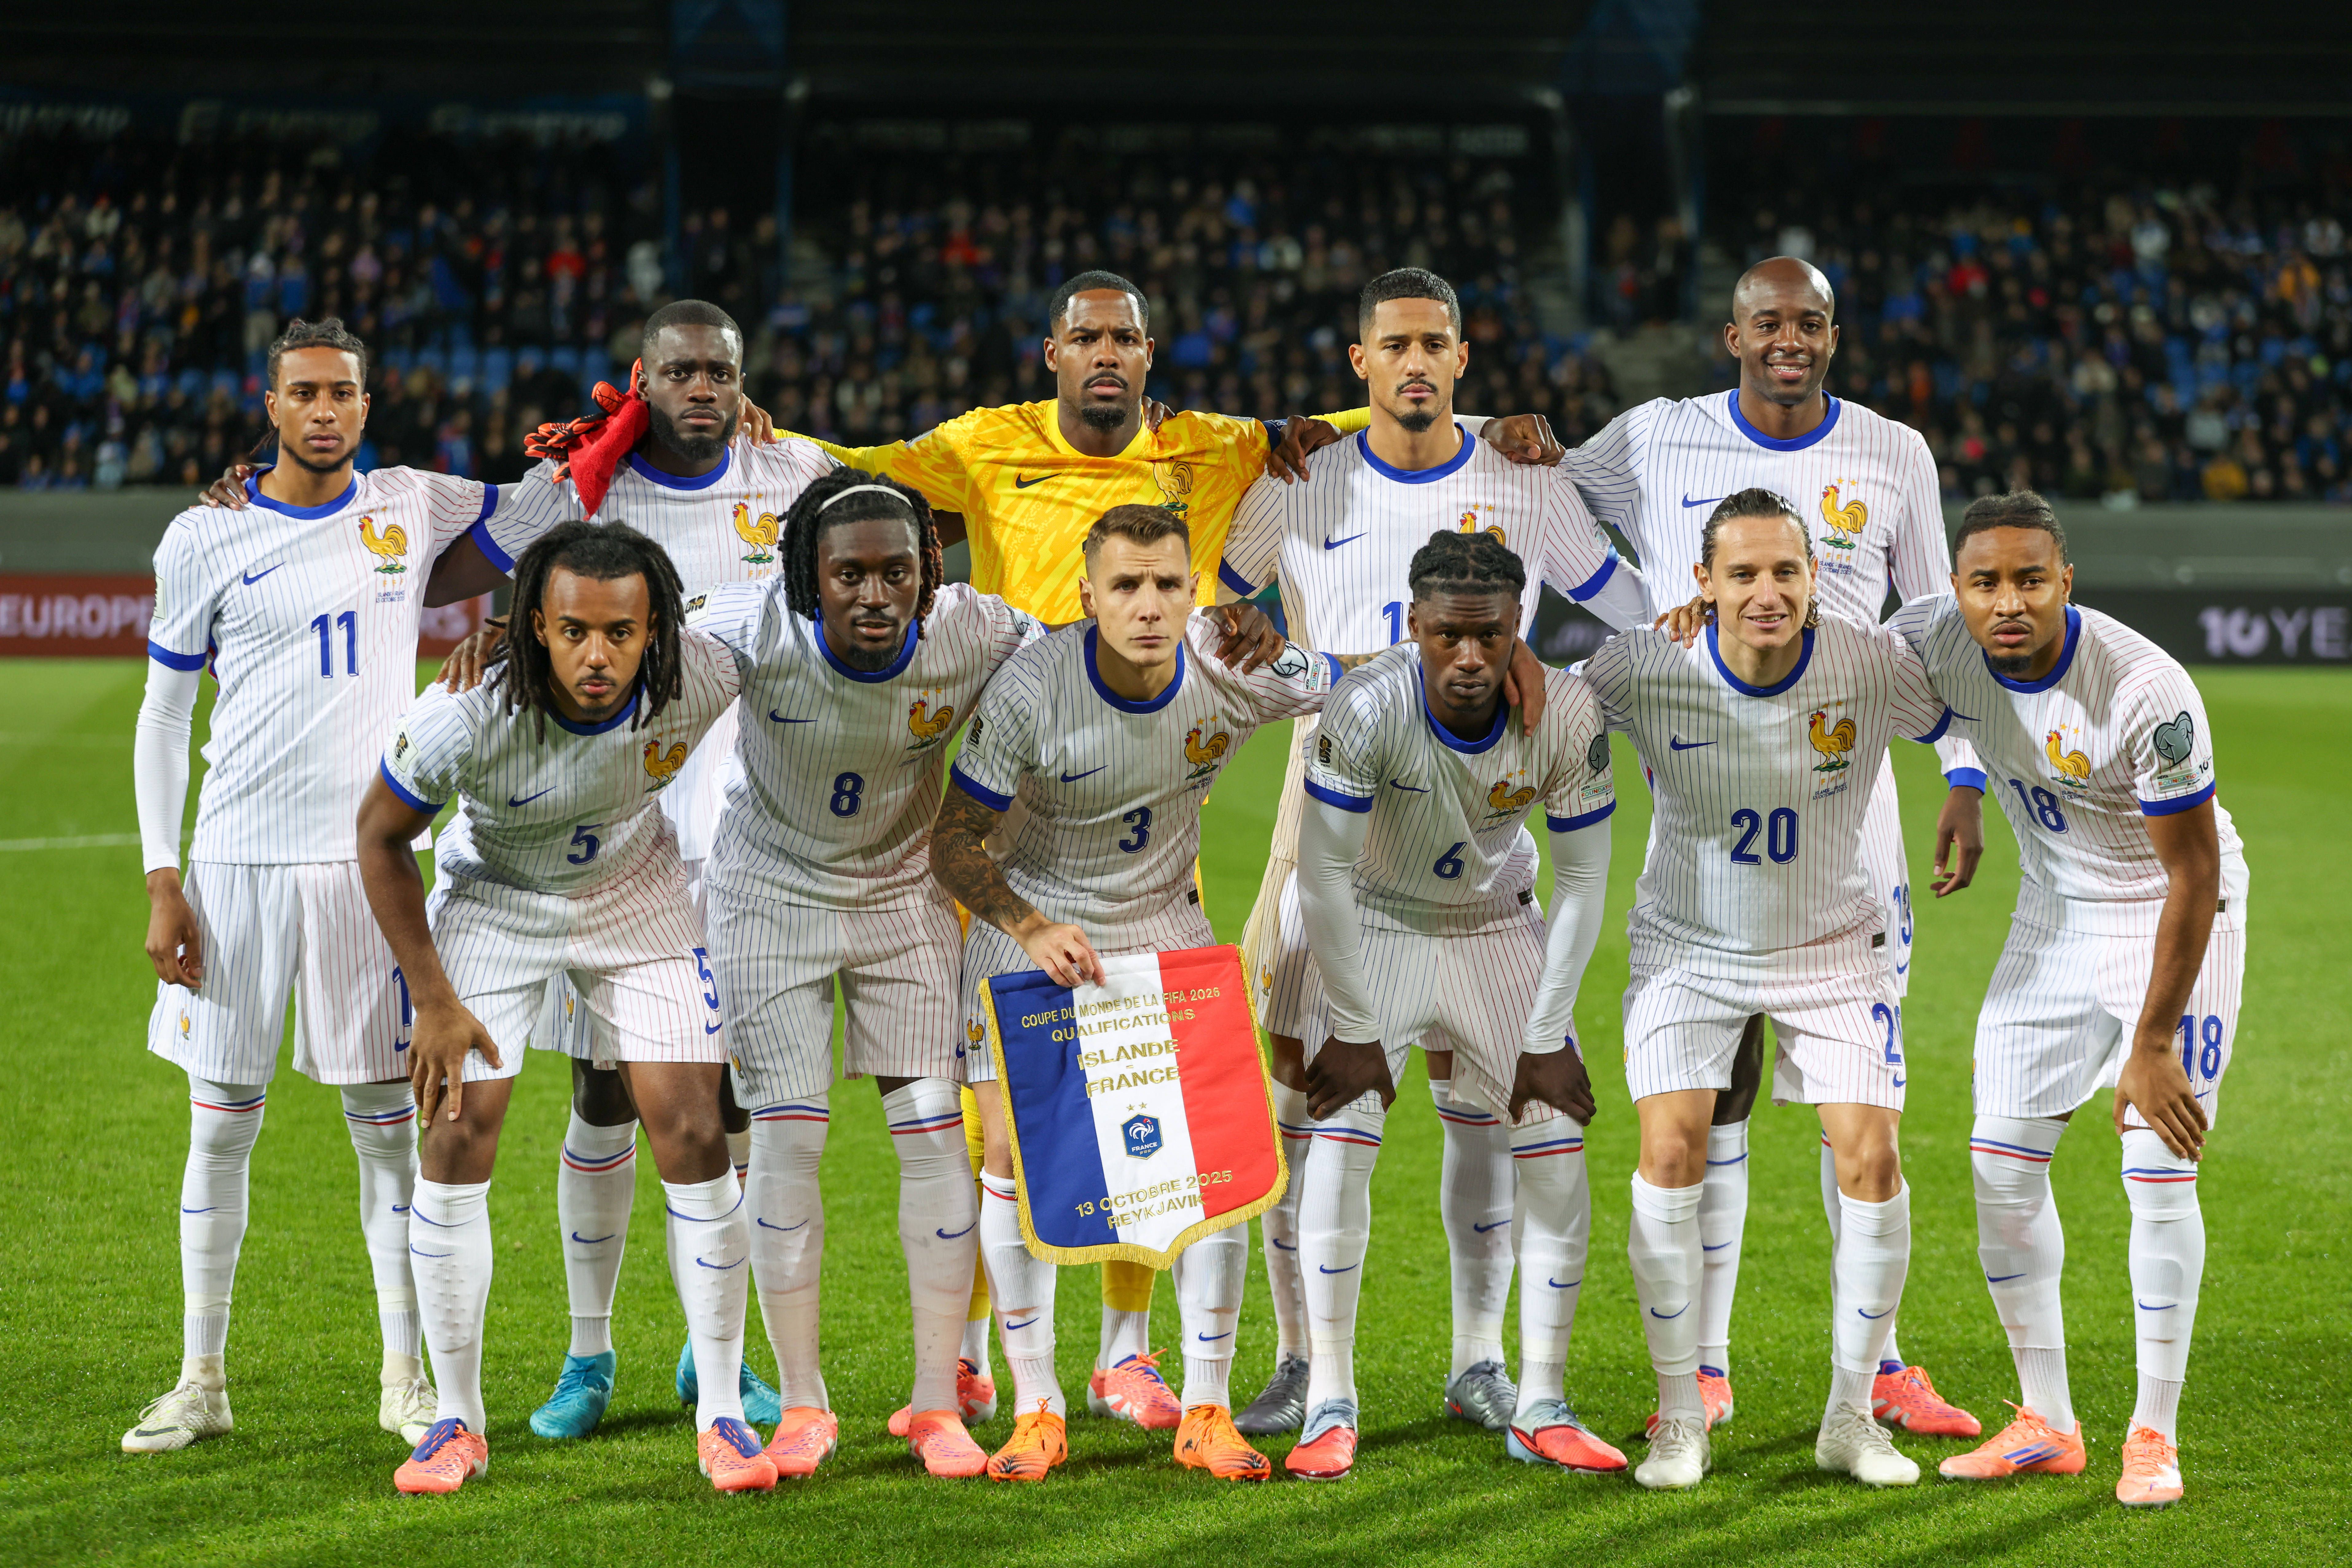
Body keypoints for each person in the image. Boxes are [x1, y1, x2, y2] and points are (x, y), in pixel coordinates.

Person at [792, 268, 1561, 1408]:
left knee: (1137, 1089)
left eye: (1127, 338)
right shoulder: (978, 445)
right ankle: (964, 1353)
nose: (1106, 353)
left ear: (1150, 355)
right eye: (1086, 337)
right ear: (1050, 351)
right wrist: (757, 431)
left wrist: (1481, 431)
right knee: (984, 1117)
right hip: (1008, 805)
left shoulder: (1209, 449)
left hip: (1152, 821)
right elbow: (839, 466)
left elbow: (1355, 419)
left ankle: (1124, 1351)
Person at [200, 299, 836, 1435]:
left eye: (722, 375)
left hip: (735, 827)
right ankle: (588, 1357)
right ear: (640, 377)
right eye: (681, 372)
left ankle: (715, 1355)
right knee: (597, 1096)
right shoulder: (593, 479)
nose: (703, 391)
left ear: (745, 381)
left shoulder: (792, 469)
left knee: (710, 1104)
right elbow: (466, 566)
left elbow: (877, 519)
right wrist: (259, 503)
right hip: (577, 823)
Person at [1214, 267, 1650, 1434]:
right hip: (1329, 826)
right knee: (1301, 1108)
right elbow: (1215, 611)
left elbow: (1629, 608)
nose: (1415, 362)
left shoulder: (1524, 473)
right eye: (1393, 344)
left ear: (1463, 357)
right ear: (1359, 364)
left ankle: (1478, 1360)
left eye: (1436, 344)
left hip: (1488, 824)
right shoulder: (1300, 477)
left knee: (1486, 1104)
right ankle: (1304, 1360)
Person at [1560, 256, 1986, 1437]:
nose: (1786, 340)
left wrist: (1960, 776)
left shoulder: (1895, 452)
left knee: (1861, 1099)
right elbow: (1527, 467)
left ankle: (1879, 1364)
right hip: (1706, 790)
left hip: (1850, 815)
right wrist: (1623, 608)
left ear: (1833, 335)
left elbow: (1926, 624)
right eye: (1766, 323)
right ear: (1731, 334)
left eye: (1807, 323)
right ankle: (1701, 1363)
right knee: (1717, 1091)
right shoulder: (1654, 435)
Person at [125, 318, 498, 1454]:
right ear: (271, 404)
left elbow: (548, 503)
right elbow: (164, 712)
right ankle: (201, 1376)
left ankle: (405, 1378)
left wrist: (498, 631)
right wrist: (162, 878)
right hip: (236, 862)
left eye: (343, 392)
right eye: (305, 393)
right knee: (219, 1127)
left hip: (365, 869)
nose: (325, 410)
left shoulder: (409, 501)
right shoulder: (203, 534)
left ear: (367, 405)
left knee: (386, 1130)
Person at [929, 504, 1342, 1482]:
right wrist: (1031, 925)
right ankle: (1036, 1407)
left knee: (1223, 1171)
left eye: (1166, 584)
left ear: (1194, 593)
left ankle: (1206, 1403)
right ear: (1085, 596)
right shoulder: (1032, 686)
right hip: (1029, 923)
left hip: (1163, 923)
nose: (1148, 605)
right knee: (1016, 1170)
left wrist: (1499, 660)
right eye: (1125, 586)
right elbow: (952, 838)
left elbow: (1355, 677)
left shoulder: (1231, 664)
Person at [357, 520, 766, 1494]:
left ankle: (719, 1411)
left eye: (622, 634)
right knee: (458, 1129)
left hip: (636, 891)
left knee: (694, 1127)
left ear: (654, 626)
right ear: (533, 625)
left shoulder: (701, 671)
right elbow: (379, 837)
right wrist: (432, 997)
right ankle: (457, 1419)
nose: (599, 655)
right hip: (496, 895)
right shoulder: (464, 711)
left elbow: (794, 610)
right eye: (575, 630)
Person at [1581, 489, 1955, 1491]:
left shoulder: (1867, 664)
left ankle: (1848, 1416)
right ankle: (1677, 1415)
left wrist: (1967, 783)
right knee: (1670, 1152)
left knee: (1869, 1159)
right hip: (1687, 947)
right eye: (1741, 573)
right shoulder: (1645, 665)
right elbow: (1530, 707)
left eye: (1784, 571)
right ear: (1699, 584)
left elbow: (1975, 703)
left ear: (1813, 578)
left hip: (1832, 946)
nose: (1765, 591)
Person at [679, 470, 1048, 1479]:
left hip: (904, 896)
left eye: (897, 572)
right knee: (788, 1145)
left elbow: (1081, 655)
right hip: (769, 895)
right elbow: (625, 642)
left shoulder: (976, 630)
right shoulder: (747, 628)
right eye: (849, 574)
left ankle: (937, 1404)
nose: (874, 594)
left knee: (934, 1136)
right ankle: (804, 1405)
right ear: (808, 577)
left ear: (930, 576)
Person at [1892, 491, 2249, 1509]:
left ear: (2065, 582)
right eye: (1984, 582)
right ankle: (2046, 1420)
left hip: (2174, 915)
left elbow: (2194, 874)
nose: (2007, 602)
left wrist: (2151, 1040)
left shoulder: (2146, 689)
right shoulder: (1926, 636)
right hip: (2052, 915)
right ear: (1953, 588)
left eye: (2028, 579)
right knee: (1998, 1168)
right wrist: (1961, 781)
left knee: (2156, 1170)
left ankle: (2153, 1432)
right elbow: (1847, 676)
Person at [1285, 530, 1623, 1480]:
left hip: (1491, 925)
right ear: (1413, 625)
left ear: (1518, 626)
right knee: (1339, 1132)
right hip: (1375, 922)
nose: (1467, 659)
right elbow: (1322, 875)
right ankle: (1329, 1397)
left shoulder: (1565, 713)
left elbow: (1586, 879)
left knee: (1551, 1130)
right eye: (1445, 638)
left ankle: (1531, 1392)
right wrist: (1353, 1025)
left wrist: (1547, 1035)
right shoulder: (1365, 706)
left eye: (1488, 637)